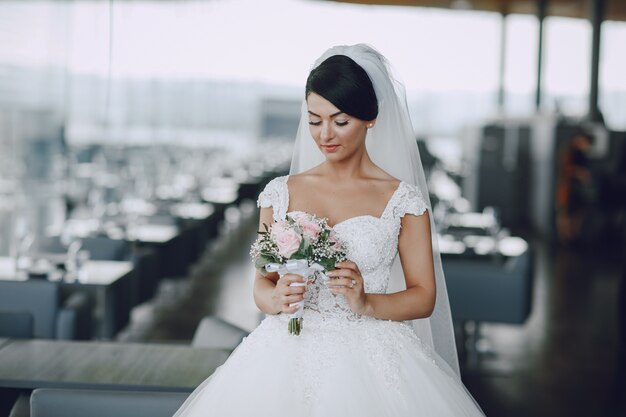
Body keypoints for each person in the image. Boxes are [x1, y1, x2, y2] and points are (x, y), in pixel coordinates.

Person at [172, 44, 484, 416]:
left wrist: (367, 303)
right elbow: (262, 284)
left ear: (370, 118)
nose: (325, 135)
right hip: (282, 354)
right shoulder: (280, 192)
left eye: (340, 121)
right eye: (315, 119)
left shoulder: (403, 200)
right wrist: (277, 299)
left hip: (374, 358)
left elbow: (423, 297)